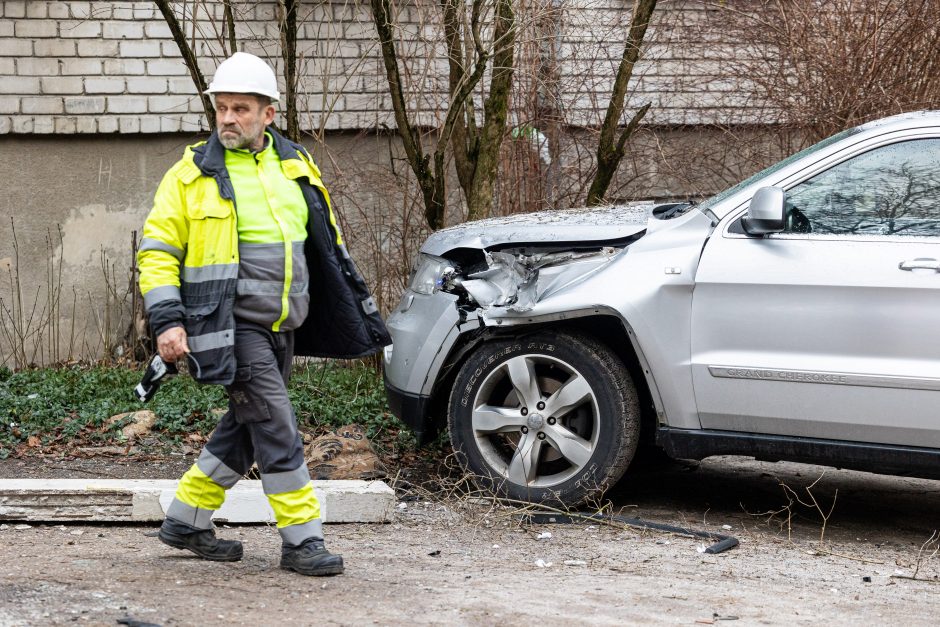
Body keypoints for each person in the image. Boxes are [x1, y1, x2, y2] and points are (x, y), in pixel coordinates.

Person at [137, 52, 390, 576]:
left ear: (268, 114)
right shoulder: (191, 176)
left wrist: (347, 305)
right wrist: (168, 320)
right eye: (221, 108)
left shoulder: (294, 164)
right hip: (229, 327)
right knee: (276, 426)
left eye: (240, 109)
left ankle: (186, 519)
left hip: (284, 326)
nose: (228, 118)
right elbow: (158, 253)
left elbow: (325, 245)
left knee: (247, 426)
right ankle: (302, 540)